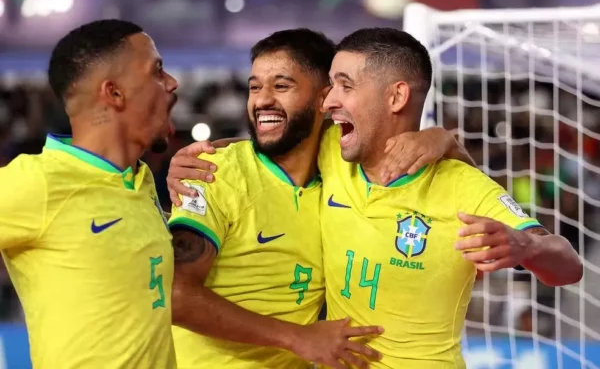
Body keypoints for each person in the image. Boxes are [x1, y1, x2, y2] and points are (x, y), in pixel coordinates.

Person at [166, 29, 475, 369]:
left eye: (281, 86)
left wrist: (442, 140)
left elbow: (453, 179)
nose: (262, 100)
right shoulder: (212, 173)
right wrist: (298, 337)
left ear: (324, 99)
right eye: (255, 87)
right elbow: (175, 295)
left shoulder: (339, 161)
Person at [317, 27, 583, 368]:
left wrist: (527, 247)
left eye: (345, 85)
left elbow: (569, 267)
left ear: (396, 97)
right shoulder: (329, 149)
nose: (329, 101)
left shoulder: (462, 185)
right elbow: (252, 154)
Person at [0, 20, 179, 368]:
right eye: (157, 71)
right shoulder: (40, 182)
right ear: (114, 93)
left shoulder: (138, 181)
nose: (172, 82)